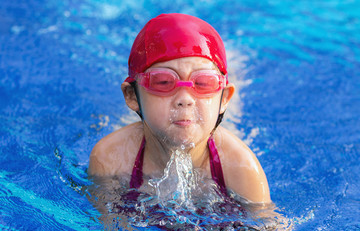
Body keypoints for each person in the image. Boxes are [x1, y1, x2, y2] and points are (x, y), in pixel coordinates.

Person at [88, 13, 271, 204]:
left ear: (224, 98)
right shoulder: (110, 160)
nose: (185, 99)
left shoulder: (242, 169)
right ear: (131, 96)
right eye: (163, 82)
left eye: (204, 83)